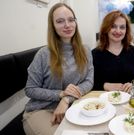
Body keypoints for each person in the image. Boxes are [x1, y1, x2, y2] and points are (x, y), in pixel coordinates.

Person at [22, 3, 94, 135]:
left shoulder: (86, 50)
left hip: (72, 107)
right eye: (60, 21)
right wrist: (60, 94)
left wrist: (66, 100)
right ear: (53, 26)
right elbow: (30, 90)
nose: (67, 25)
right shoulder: (43, 54)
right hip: (41, 110)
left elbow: (89, 82)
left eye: (71, 20)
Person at [92, 10, 134, 92]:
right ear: (106, 29)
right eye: (113, 26)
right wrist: (105, 85)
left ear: (126, 30)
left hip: (131, 101)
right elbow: (89, 83)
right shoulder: (95, 54)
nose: (118, 31)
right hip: (104, 102)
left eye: (122, 27)